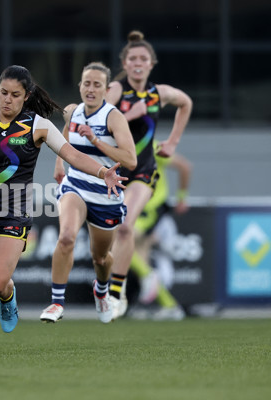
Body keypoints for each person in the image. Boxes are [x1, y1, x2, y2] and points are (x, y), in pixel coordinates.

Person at [0, 65, 127, 355]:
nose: (7, 99)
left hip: (14, 210)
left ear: (26, 96)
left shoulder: (39, 125)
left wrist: (102, 171)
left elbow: (72, 154)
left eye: (15, 95)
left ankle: (8, 297)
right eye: (3, 93)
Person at [39, 62, 137, 324]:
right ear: (79, 86)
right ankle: (57, 303)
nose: (90, 89)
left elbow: (130, 160)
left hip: (106, 194)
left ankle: (101, 291)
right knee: (67, 237)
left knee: (101, 257)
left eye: (96, 84)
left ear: (106, 89)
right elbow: (65, 135)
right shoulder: (72, 111)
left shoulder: (113, 117)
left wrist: (95, 140)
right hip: (76, 184)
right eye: (86, 83)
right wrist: (60, 163)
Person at [104, 30, 192, 320]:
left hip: (143, 175)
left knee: (127, 228)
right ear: (125, 63)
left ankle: (118, 293)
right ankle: (118, 288)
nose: (138, 62)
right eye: (133, 58)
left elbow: (186, 103)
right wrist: (131, 114)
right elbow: (96, 125)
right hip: (114, 174)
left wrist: (173, 142)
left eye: (144, 58)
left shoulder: (159, 93)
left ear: (151, 63)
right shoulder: (116, 91)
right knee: (114, 236)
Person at [130, 143, 192, 320]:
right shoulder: (121, 142)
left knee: (120, 243)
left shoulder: (152, 146)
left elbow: (184, 166)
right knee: (136, 259)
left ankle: (150, 278)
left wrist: (181, 198)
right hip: (133, 208)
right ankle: (170, 306)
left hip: (149, 209)